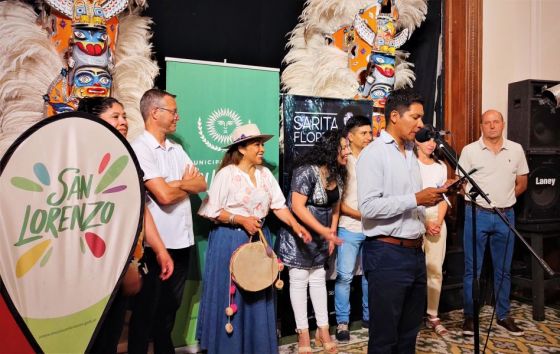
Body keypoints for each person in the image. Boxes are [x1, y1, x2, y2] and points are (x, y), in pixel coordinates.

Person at [196, 123, 310, 354]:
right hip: (229, 241)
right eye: (257, 144)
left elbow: (278, 206)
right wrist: (239, 219)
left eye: (262, 145)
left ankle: (257, 346)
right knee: (233, 297)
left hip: (259, 240)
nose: (262, 149)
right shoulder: (227, 175)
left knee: (259, 292)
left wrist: (297, 226)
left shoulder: (265, 174)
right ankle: (229, 348)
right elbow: (210, 210)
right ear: (241, 148)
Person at [77, 97, 174, 354]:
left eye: (124, 116)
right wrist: (123, 266)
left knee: (112, 334)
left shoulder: (126, 155)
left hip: (130, 261)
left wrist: (160, 249)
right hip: (96, 267)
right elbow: (92, 220)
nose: (122, 121)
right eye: (114, 116)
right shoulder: (82, 160)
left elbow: (140, 208)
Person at [356, 89, 446, 354]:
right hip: (386, 253)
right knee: (385, 339)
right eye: (415, 118)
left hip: (414, 252)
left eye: (422, 118)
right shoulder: (374, 154)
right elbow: (369, 208)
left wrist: (436, 196)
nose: (421, 125)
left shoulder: (410, 153)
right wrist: (416, 198)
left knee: (408, 336)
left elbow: (411, 202)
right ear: (394, 116)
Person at [128, 89, 207, 354]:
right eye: (173, 111)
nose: (178, 116)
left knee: (169, 310)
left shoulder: (177, 148)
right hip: (155, 246)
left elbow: (201, 183)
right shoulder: (140, 148)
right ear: (154, 113)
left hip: (183, 242)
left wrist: (175, 185)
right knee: (145, 312)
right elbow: (162, 196)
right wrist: (181, 185)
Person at [459, 109, 528, 337]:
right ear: (481, 126)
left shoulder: (516, 149)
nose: (491, 126)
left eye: (495, 122)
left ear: (502, 124)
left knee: (503, 270)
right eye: (487, 122)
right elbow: (461, 185)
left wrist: (504, 201)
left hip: (505, 216)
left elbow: (521, 183)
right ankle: (470, 316)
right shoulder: (469, 151)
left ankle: (503, 315)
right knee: (472, 270)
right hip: (476, 214)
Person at [277, 129, 346, 354]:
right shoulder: (306, 171)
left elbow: (336, 205)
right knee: (299, 281)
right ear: (330, 150)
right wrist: (323, 231)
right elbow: (296, 206)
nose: (347, 152)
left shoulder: (339, 172)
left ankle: (323, 330)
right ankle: (303, 334)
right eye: (342, 147)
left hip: (322, 237)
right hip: (300, 236)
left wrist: (332, 232)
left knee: (318, 280)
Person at [334, 116, 373, 341]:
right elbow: (336, 201)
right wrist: (360, 214)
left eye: (370, 133)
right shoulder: (343, 161)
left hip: (372, 227)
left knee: (370, 275)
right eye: (364, 133)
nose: (369, 137)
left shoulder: (373, 158)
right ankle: (342, 322)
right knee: (345, 276)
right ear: (350, 136)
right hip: (348, 226)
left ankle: (369, 318)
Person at [414, 127, 449, 336]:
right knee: (415, 271)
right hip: (415, 219)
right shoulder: (410, 164)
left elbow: (444, 197)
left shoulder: (441, 166)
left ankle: (433, 315)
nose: (431, 143)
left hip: (437, 219)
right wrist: (425, 223)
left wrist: (438, 221)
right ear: (417, 142)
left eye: (434, 140)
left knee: (435, 269)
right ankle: (413, 314)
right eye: (427, 140)